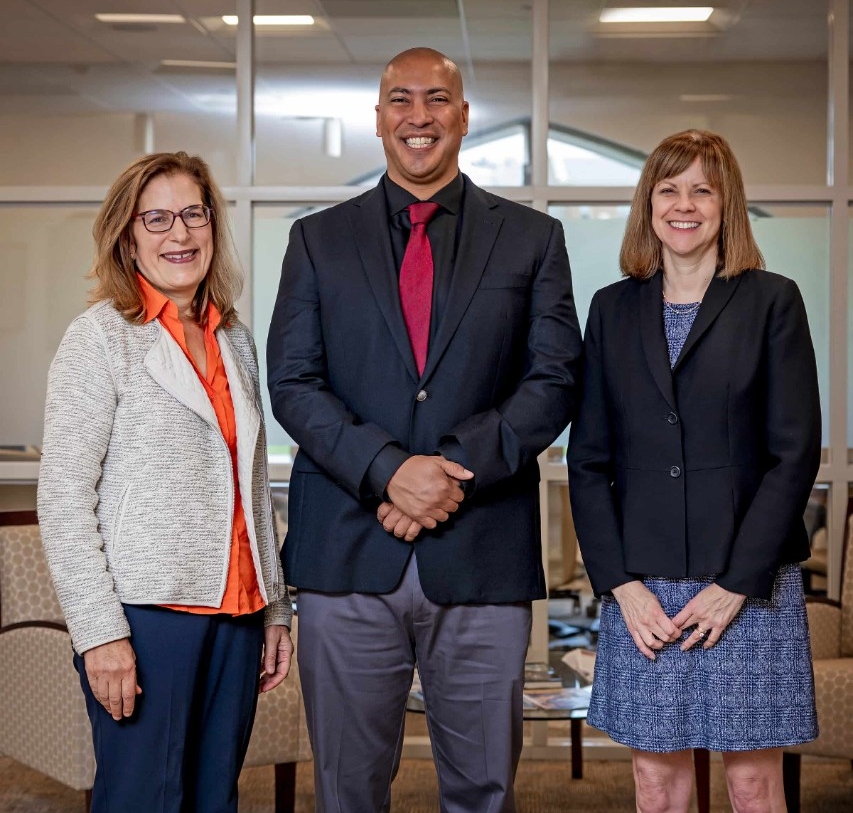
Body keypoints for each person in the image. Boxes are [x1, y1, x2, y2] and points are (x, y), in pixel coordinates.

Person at [267, 47, 582, 812]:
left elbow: (554, 378)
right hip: (346, 551)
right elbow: (292, 382)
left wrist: (442, 469)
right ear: (377, 120)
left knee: (482, 788)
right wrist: (386, 469)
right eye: (400, 100)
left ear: (463, 116)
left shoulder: (531, 239)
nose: (418, 116)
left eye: (436, 99)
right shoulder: (317, 239)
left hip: (480, 551)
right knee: (347, 788)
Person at [567, 129, 820, 813]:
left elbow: (792, 453)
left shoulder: (772, 300)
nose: (684, 204)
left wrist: (735, 583)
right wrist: (619, 584)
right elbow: (586, 459)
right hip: (642, 590)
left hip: (750, 584)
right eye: (669, 188)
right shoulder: (610, 309)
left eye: (701, 189)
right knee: (655, 780)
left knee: (750, 782)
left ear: (725, 203)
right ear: (648, 203)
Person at [37, 151, 292, 813]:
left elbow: (250, 487)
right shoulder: (100, 338)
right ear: (127, 235)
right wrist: (99, 633)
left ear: (212, 225)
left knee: (215, 799)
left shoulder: (233, 337)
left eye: (192, 214)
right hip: (147, 620)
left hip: (235, 615)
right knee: (143, 800)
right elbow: (64, 496)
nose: (179, 234)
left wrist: (273, 606)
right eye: (157, 219)